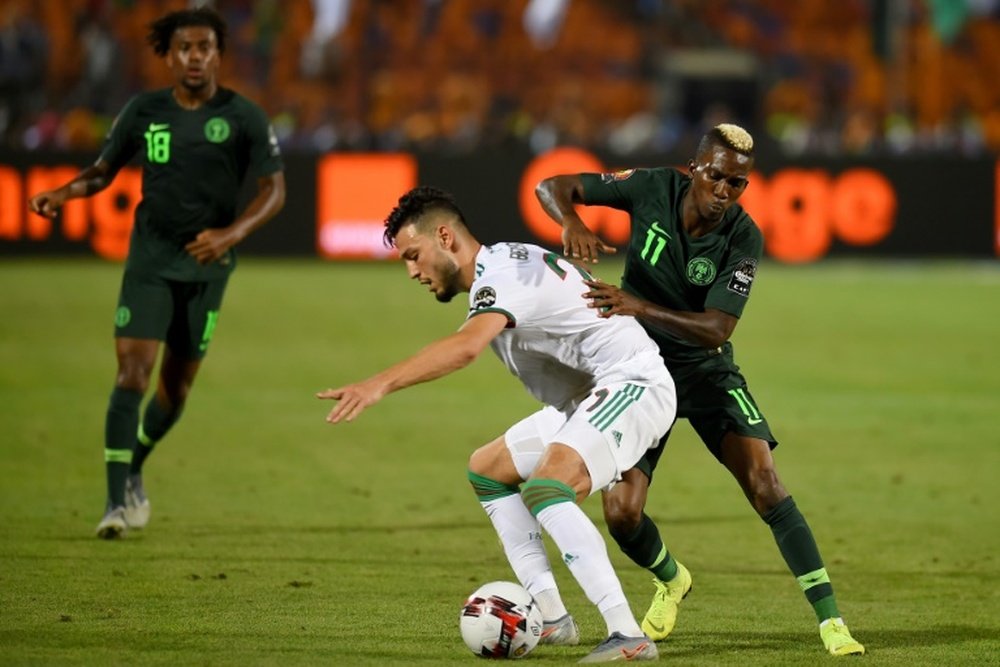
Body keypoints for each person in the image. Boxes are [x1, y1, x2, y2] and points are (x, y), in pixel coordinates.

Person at [534, 123, 865, 657]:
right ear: (694, 169)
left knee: (765, 484)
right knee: (621, 514)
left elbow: (717, 329)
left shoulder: (743, 236)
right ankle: (671, 578)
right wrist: (572, 220)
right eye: (718, 178)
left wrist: (638, 305)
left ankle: (832, 621)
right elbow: (550, 186)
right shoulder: (649, 187)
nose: (725, 193)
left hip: (705, 371)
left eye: (738, 184)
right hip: (639, 373)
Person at [318, 186, 675, 663]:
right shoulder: (499, 265)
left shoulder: (502, 275)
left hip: (633, 385)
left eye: (413, 255)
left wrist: (377, 384)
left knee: (548, 488)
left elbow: (465, 348)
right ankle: (551, 617)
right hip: (587, 399)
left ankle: (627, 634)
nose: (412, 271)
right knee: (488, 469)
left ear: (445, 236)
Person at [28, 7, 285, 539]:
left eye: (205, 47)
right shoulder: (144, 110)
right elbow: (103, 170)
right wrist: (63, 191)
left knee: (175, 390)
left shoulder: (243, 116)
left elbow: (274, 190)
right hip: (149, 261)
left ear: (218, 53)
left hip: (208, 268)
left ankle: (137, 463)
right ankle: (112, 504)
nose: (195, 56)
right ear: (168, 56)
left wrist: (230, 234)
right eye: (185, 48)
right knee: (131, 374)